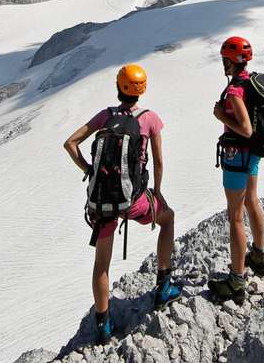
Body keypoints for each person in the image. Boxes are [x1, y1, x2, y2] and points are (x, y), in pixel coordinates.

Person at [63, 63, 181, 344]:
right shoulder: (149, 119)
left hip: (102, 201)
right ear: (142, 90)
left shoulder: (106, 116)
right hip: (134, 200)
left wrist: (90, 171)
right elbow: (160, 162)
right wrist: (158, 192)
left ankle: (103, 326)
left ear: (119, 88)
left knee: (101, 263)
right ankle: (163, 287)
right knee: (168, 219)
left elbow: (70, 143)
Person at [208, 35, 264, 302]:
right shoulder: (250, 82)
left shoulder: (235, 91)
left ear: (232, 61)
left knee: (234, 216)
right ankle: (258, 255)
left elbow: (245, 129)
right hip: (253, 154)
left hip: (237, 156)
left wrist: (222, 116)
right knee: (252, 201)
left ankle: (236, 280)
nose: (223, 64)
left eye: (225, 60)